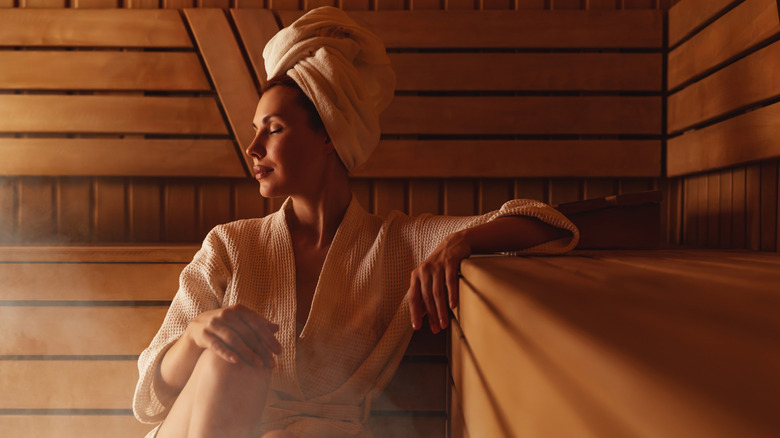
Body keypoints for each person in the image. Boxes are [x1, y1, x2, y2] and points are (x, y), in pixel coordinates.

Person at [133, 6, 579, 438]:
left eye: (273, 129)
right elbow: (150, 399)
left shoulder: (397, 244)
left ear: (327, 133)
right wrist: (195, 334)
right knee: (227, 359)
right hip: (200, 427)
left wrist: (459, 241)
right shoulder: (230, 246)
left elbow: (546, 224)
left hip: (322, 433)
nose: (253, 147)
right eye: (256, 129)